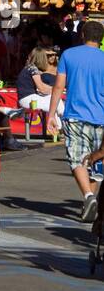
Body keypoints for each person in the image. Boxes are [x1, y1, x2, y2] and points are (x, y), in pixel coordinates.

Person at [48, 19, 104, 221]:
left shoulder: (69, 55)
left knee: (76, 158)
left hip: (76, 115)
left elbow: (58, 86)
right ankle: (91, 199)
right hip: (101, 118)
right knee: (96, 161)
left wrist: (51, 113)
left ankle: (89, 196)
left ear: (82, 35)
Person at [17, 45, 62, 126]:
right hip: (28, 99)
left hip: (29, 98)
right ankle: (61, 129)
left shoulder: (30, 67)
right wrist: (57, 89)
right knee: (56, 103)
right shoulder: (33, 68)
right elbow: (42, 88)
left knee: (55, 100)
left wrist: (55, 90)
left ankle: (60, 130)